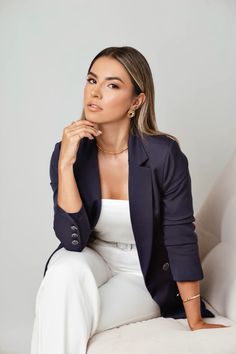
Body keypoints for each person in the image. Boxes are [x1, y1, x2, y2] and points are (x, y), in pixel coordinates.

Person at [31, 46, 228, 354]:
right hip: (90, 258)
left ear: (136, 101)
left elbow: (179, 235)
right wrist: (65, 165)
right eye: (92, 80)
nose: (95, 93)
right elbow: (72, 241)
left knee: (63, 308)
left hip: (141, 273)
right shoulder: (69, 152)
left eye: (112, 85)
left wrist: (194, 319)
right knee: (63, 272)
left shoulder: (164, 155)